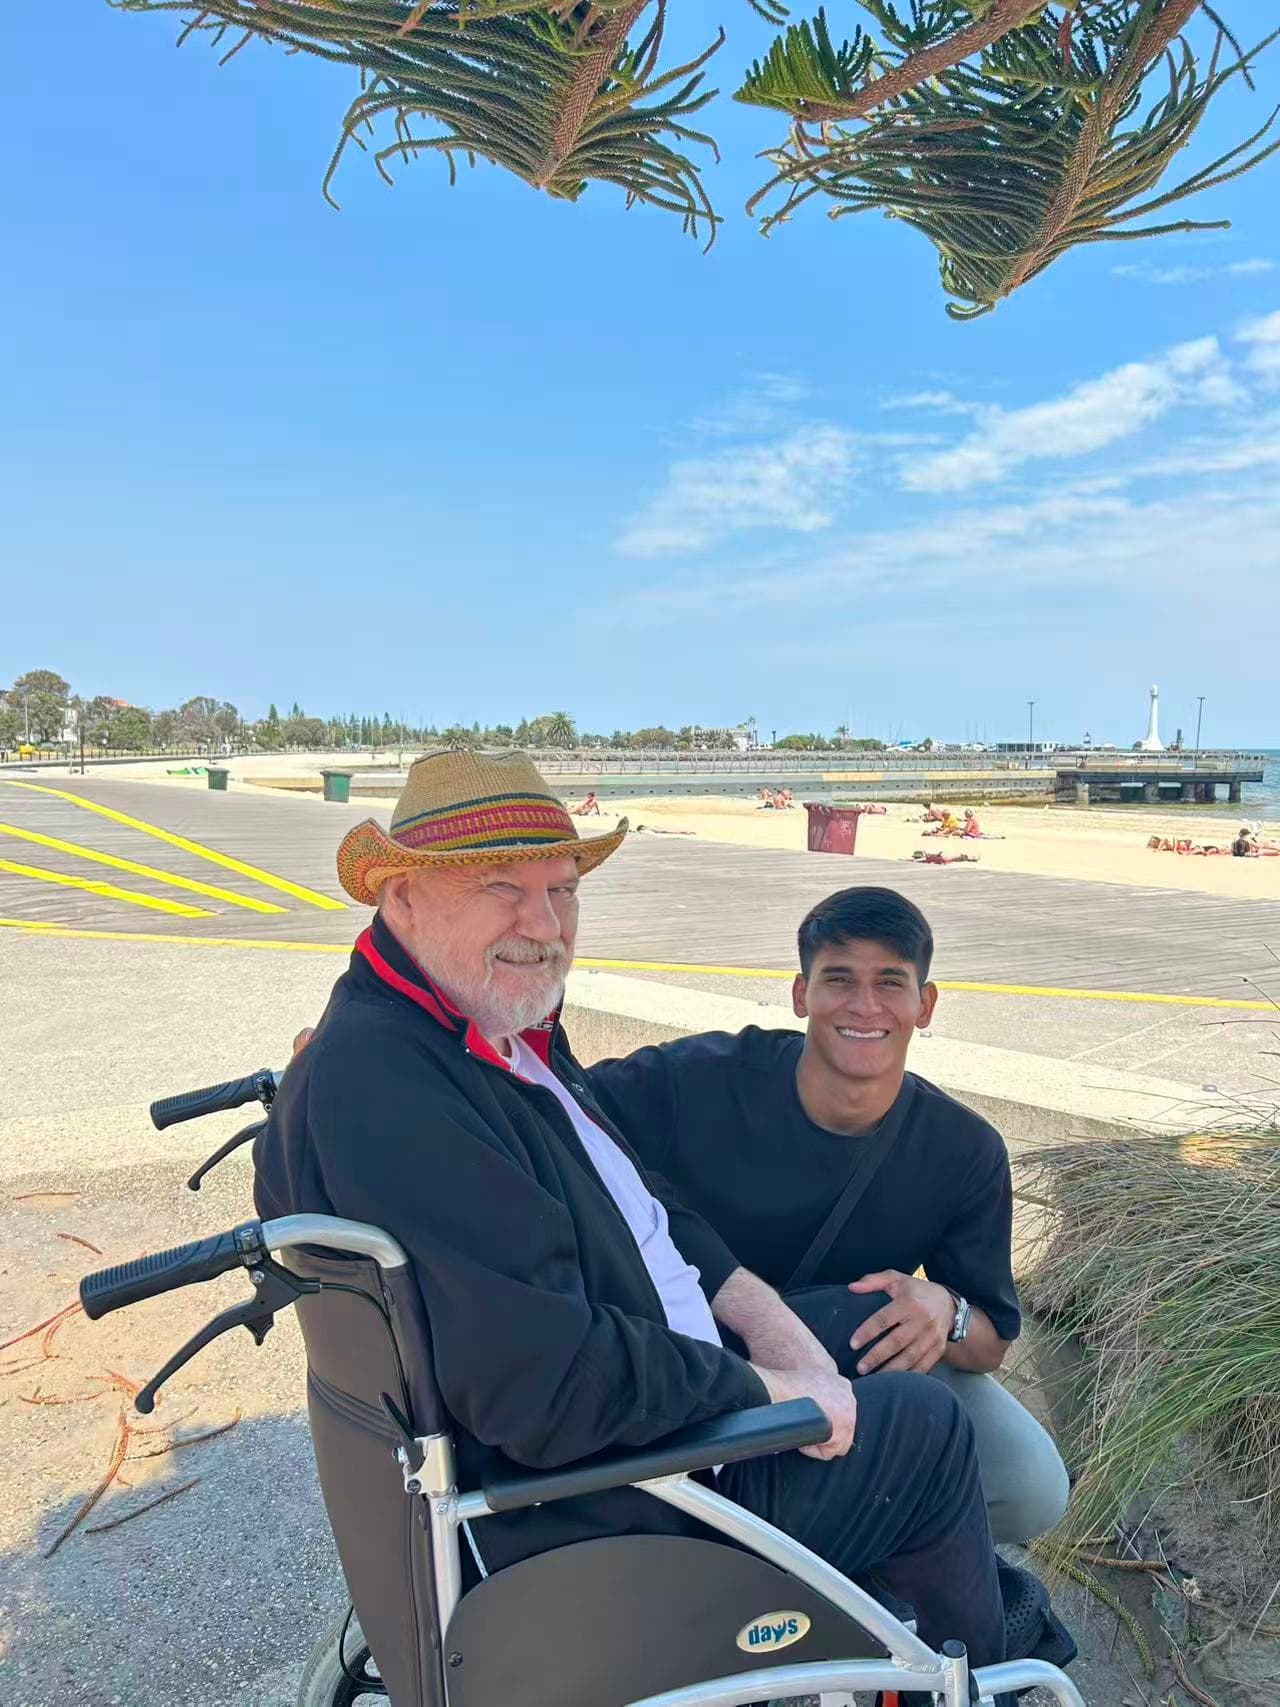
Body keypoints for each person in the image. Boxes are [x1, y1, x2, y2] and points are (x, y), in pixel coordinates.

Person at [258, 752, 1023, 1676]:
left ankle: (889, 1603)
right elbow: (549, 1384)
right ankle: (972, 1673)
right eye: (502, 887)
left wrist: (763, 1316)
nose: (544, 925)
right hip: (618, 1503)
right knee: (926, 1432)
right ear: (403, 895)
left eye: (562, 889)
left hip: (641, 1403)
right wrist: (765, 1391)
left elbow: (633, 1190)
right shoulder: (396, 1089)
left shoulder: (479, 1032)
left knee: (852, 1327)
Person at [587, 885, 1070, 1549]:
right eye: (839, 978)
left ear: (925, 1004)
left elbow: (991, 1341)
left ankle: (853, 1546)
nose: (865, 1005)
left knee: (1029, 1483)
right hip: (678, 1359)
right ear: (801, 993)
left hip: (845, 1370)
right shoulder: (693, 1081)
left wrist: (945, 1310)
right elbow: (564, 1123)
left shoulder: (963, 1150)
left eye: (890, 982)